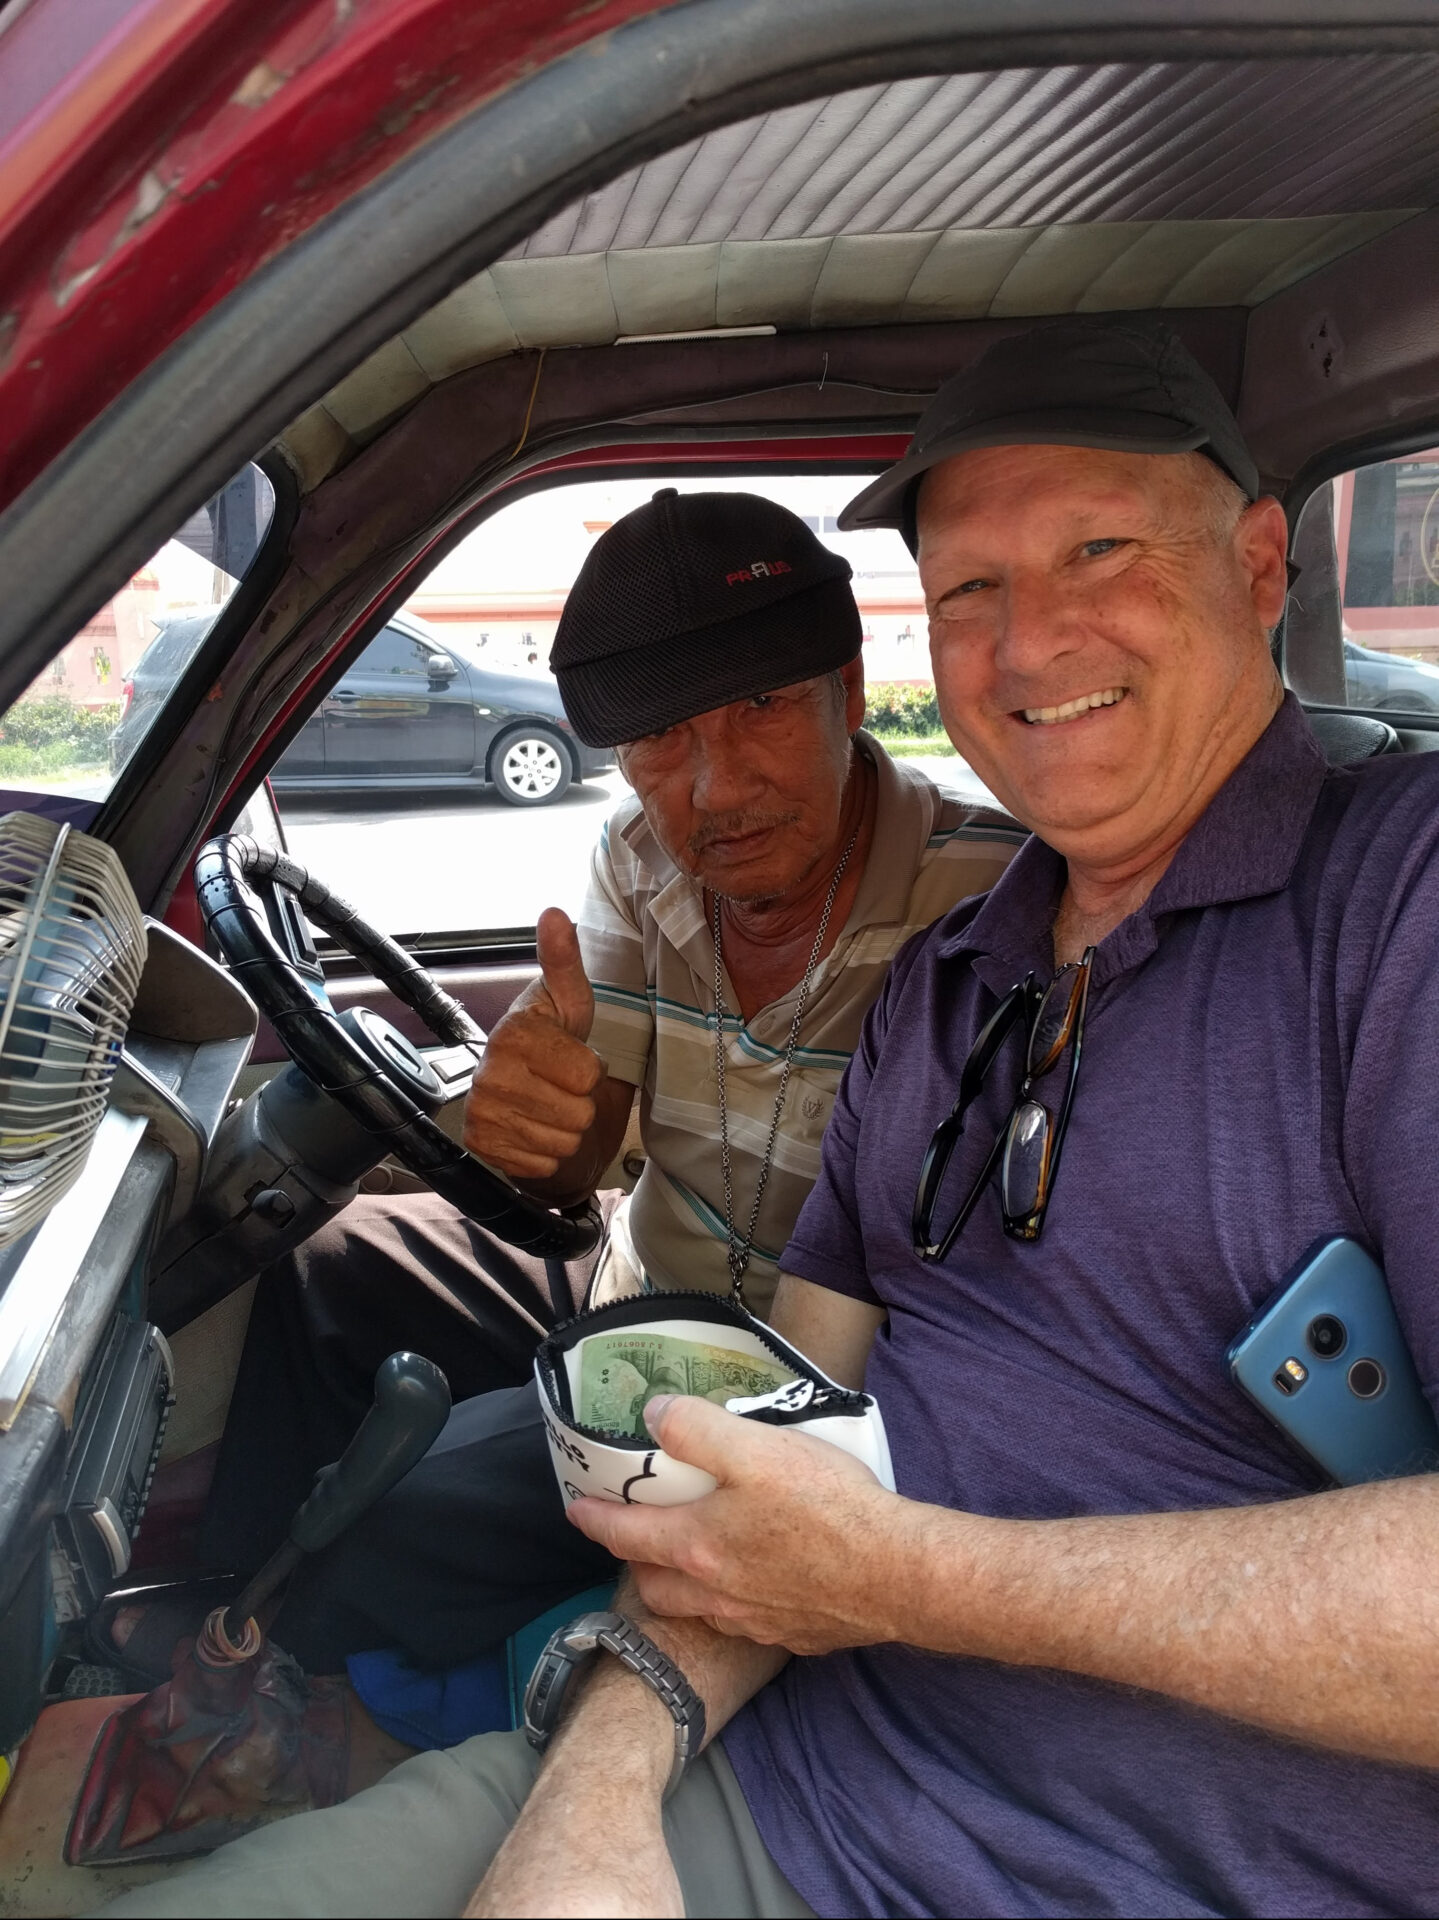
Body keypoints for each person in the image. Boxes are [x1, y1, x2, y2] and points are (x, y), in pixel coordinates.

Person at [106, 316, 1439, 1920]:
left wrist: (896, 1575)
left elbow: (822, 1527)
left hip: (1161, 1838)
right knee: (347, 1328)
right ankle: (263, 1672)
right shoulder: (957, 984)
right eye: (969, 591)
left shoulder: (1389, 910)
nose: (1027, 646)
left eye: (1096, 551)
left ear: (1257, 564)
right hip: (776, 1742)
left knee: (420, 1500)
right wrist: (596, 1792)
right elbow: (779, 1441)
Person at [103, 489, 1017, 1686]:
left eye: (760, 707)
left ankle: (295, 1677)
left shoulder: (992, 898)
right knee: (322, 1265)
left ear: (846, 691)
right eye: (660, 738)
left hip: (829, 1389)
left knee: (411, 1506)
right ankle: (239, 1614)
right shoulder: (639, 864)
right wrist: (541, 1126)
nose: (713, 788)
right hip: (633, 1288)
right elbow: (578, 1167)